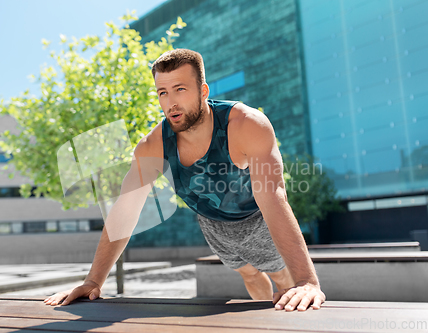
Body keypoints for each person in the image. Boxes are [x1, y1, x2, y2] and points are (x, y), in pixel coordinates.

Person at [44, 48, 326, 311]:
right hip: (212, 224)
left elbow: (273, 196)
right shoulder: (152, 146)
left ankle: (288, 318)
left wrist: (308, 281)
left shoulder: (245, 125)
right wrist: (93, 282)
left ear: (203, 91)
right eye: (163, 92)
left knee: (281, 278)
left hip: (255, 220)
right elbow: (124, 213)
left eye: (180, 89)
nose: (171, 102)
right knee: (249, 275)